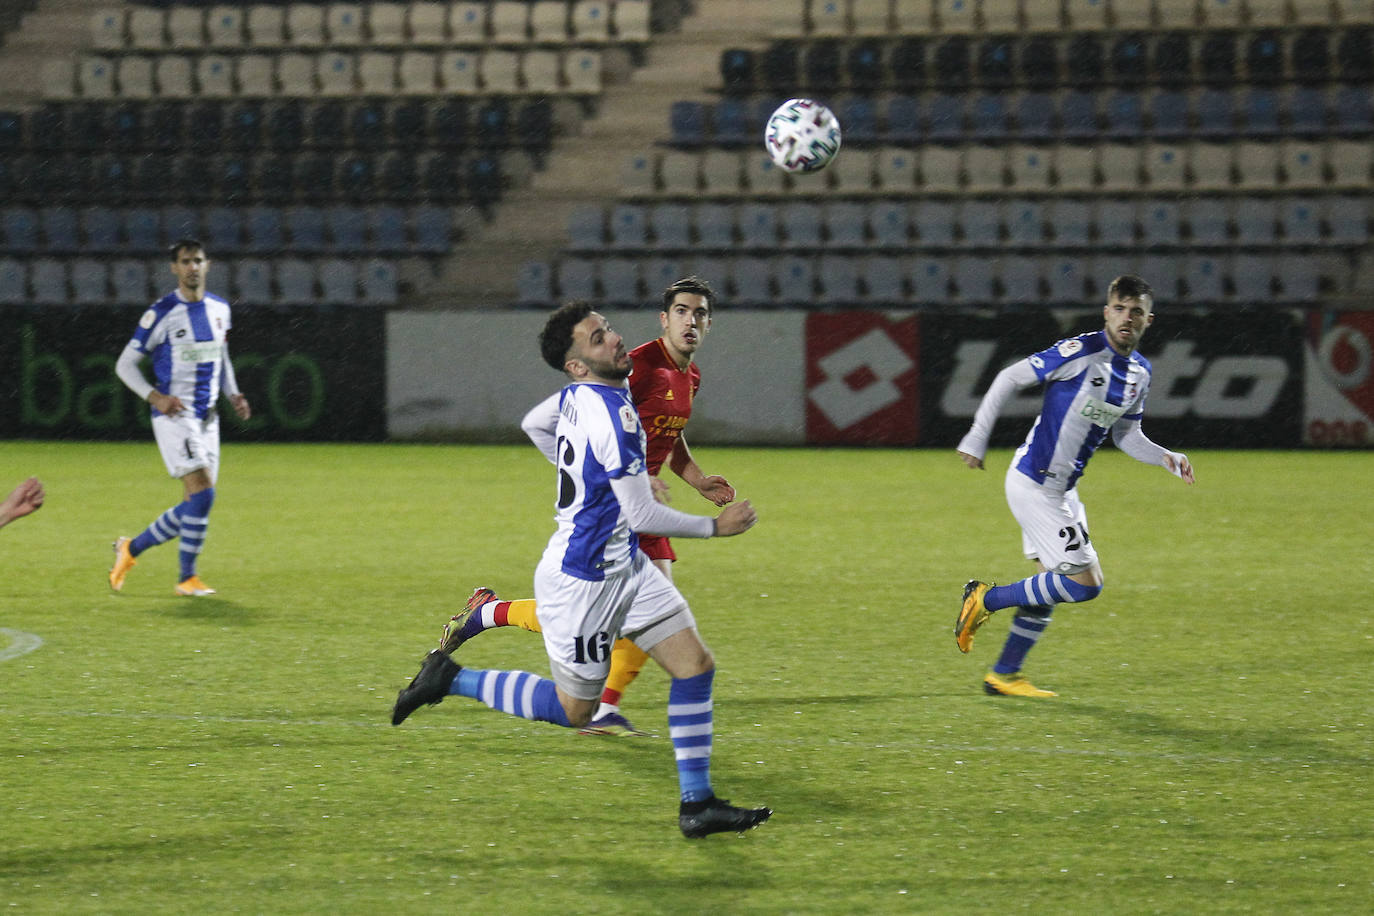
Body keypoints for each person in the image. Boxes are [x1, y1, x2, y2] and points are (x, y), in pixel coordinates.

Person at [392, 301, 772, 839]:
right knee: (575, 710)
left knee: (695, 666)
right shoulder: (612, 413)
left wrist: (586, 473)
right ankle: (450, 679)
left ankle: (698, 804)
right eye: (597, 339)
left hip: (626, 565)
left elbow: (535, 423)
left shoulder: (585, 394)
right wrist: (718, 528)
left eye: (608, 329)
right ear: (576, 365)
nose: (614, 340)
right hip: (586, 580)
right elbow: (640, 513)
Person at [439, 277, 732, 737]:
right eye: (681, 311)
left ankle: (496, 618)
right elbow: (596, 424)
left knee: (635, 619)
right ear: (664, 318)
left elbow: (666, 432)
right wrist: (622, 477)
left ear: (709, 323)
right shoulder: (636, 368)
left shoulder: (689, 376)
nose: (690, 320)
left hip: (644, 508)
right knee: (627, 620)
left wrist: (695, 478)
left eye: (698, 313)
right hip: (624, 511)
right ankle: (597, 706)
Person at [953, 275, 1195, 697]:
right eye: (1119, 308)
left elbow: (1125, 436)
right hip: (1033, 484)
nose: (1126, 318)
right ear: (1106, 312)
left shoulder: (1140, 373)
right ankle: (985, 599)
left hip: (1062, 490)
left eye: (1135, 311)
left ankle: (1004, 675)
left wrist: (1164, 456)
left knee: (1051, 582)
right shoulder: (1081, 351)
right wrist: (977, 436)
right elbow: (1010, 377)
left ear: (1147, 320)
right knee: (1086, 584)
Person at [109, 240, 251, 597]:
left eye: (198, 261)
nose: (192, 267)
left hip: (208, 418)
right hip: (175, 416)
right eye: (185, 262)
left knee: (195, 503)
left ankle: (130, 548)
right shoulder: (162, 313)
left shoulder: (219, 309)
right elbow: (124, 365)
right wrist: (154, 396)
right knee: (202, 497)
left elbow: (222, 356)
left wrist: (233, 392)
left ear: (208, 265)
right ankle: (186, 578)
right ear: (174, 268)